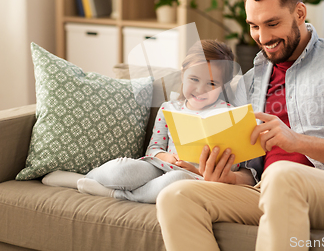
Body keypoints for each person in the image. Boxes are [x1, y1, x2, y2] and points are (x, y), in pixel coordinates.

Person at [156, 0, 324, 250]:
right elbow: (253, 170)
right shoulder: (251, 81)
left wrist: (296, 141)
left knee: (281, 173)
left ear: (300, 13)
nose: (262, 36)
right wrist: (227, 177)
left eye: (272, 23)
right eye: (253, 25)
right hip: (267, 189)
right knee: (175, 196)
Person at [42, 40, 237, 204]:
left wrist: (195, 169)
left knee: (177, 180)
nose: (200, 89)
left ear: (223, 86)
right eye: (194, 79)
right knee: (122, 168)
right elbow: (152, 149)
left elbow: (234, 165)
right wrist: (166, 158)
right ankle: (85, 178)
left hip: (193, 177)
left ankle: (116, 194)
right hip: (159, 167)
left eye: (211, 84)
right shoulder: (169, 108)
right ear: (183, 74)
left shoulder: (228, 115)